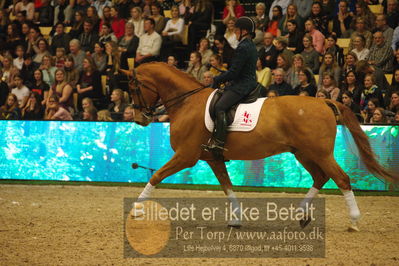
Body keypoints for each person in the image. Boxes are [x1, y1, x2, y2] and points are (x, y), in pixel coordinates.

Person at [202, 16, 258, 159]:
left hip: (243, 85)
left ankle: (218, 143)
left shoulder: (243, 46)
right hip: (246, 81)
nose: (235, 33)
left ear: (244, 31)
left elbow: (234, 72)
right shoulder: (250, 44)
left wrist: (217, 79)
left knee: (220, 107)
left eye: (236, 30)